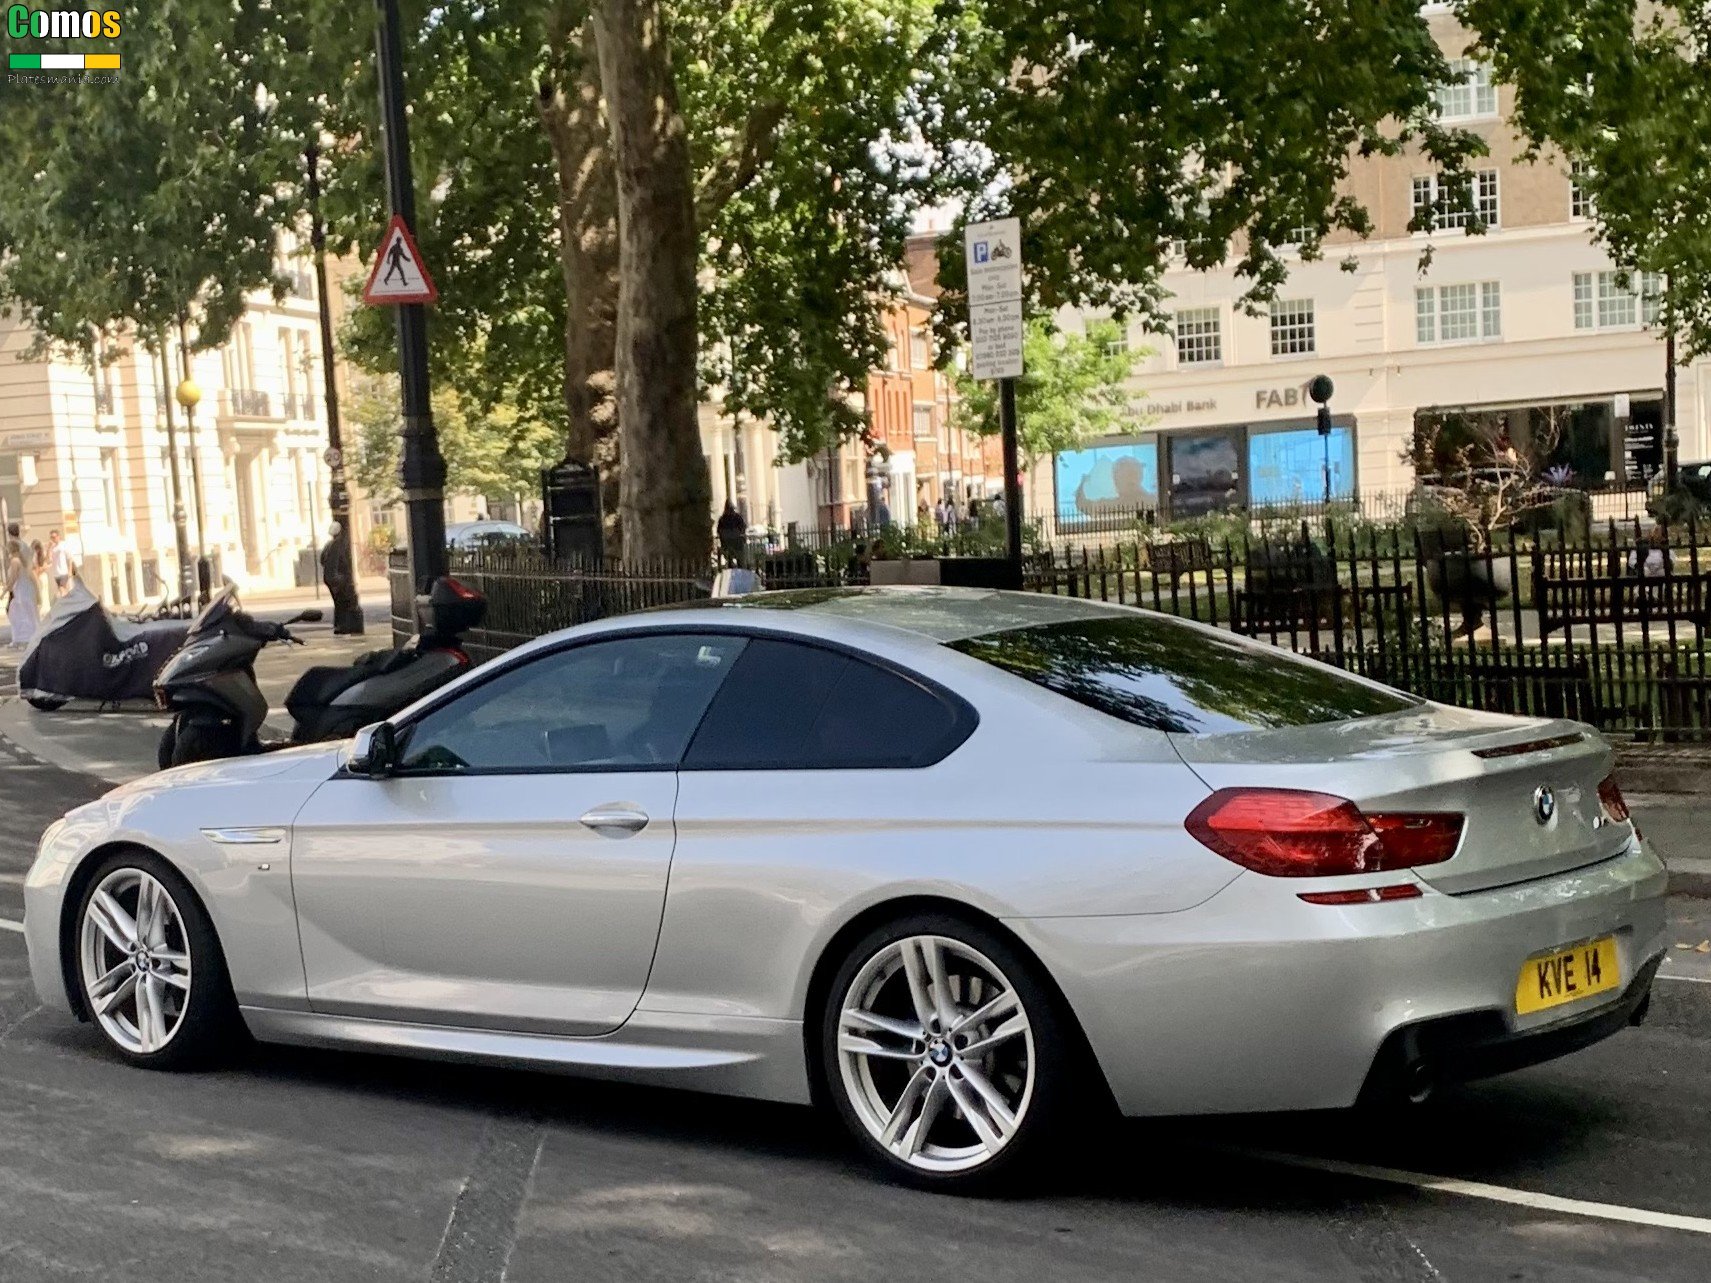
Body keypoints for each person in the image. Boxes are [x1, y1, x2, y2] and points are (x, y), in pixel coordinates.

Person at [5, 538, 39, 648]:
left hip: (21, 591)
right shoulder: (21, 560)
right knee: (26, 614)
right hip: (24, 590)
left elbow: (13, 578)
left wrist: (5, 591)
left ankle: (23, 639)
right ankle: (25, 638)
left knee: (19, 615)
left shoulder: (15, 561)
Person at [47, 529, 74, 596]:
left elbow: (69, 558)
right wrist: (49, 548)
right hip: (56, 573)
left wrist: (70, 570)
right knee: (62, 589)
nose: (53, 539)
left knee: (62, 589)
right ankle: (67, 601)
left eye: (54, 537)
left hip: (63, 572)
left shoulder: (63, 545)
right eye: (51, 537)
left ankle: (65, 602)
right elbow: (49, 560)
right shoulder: (52, 548)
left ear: (58, 537)